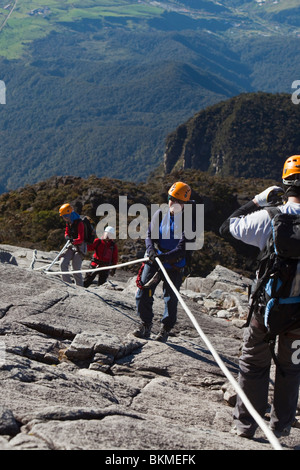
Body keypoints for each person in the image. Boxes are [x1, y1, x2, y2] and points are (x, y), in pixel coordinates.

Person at [219, 155, 300, 439]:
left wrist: (258, 200)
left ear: (286, 184)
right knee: (291, 369)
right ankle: (281, 427)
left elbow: (227, 226)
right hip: (299, 314)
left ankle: (245, 426)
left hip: (266, 308)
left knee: (253, 364)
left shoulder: (270, 217)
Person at [133, 181, 192, 342]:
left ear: (185, 204)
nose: (174, 203)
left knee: (170, 299)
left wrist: (163, 257)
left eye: (179, 201)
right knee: (143, 293)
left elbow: (182, 248)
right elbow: (149, 235)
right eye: (172, 198)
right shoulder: (160, 214)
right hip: (155, 259)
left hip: (173, 264)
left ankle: (166, 328)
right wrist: (151, 251)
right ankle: (145, 324)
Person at [59, 203, 86, 287]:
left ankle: (79, 287)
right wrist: (67, 236)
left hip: (80, 246)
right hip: (72, 245)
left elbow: (81, 238)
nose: (64, 218)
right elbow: (67, 231)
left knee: (75, 268)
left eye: (66, 215)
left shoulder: (79, 223)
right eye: (63, 216)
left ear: (70, 213)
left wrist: (73, 240)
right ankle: (67, 285)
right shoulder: (69, 222)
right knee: (62, 263)